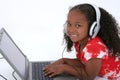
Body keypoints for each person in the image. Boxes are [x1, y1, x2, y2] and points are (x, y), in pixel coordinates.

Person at [43, 3, 120, 80]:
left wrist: (64, 68)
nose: (71, 30)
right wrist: (64, 61)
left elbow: (88, 76)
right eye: (69, 24)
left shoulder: (94, 47)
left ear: (93, 27)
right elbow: (84, 62)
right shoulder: (80, 41)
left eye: (78, 25)